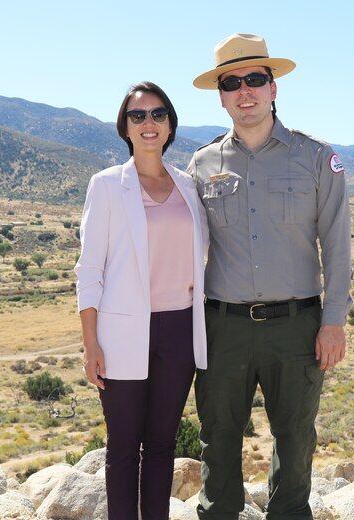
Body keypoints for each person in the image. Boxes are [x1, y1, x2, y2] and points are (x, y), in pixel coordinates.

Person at [188, 34, 352, 519]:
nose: (245, 90)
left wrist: (334, 320)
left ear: (273, 87)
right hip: (223, 327)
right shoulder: (202, 164)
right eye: (231, 82)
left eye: (255, 78)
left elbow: (338, 245)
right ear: (220, 95)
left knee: (296, 436)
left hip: (297, 326)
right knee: (218, 436)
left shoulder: (317, 158)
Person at [74, 81, 208, 519]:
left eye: (157, 114)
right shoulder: (108, 185)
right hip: (122, 332)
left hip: (180, 329)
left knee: (162, 444)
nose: (148, 123)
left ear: (169, 125)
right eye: (138, 116)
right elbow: (90, 268)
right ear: (125, 127)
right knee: (123, 446)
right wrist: (90, 344)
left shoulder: (190, 187)